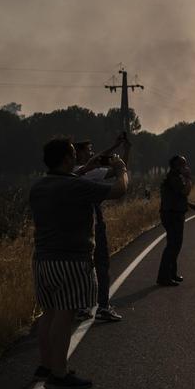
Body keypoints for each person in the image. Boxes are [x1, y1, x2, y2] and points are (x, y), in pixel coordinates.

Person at [29, 137, 128, 389]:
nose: (76, 157)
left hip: (42, 259)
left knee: (48, 313)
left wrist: (86, 168)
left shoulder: (39, 186)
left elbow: (74, 176)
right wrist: (121, 171)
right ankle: (59, 374)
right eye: (73, 154)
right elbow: (119, 191)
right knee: (65, 315)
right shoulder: (76, 187)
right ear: (65, 159)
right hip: (71, 259)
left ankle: (46, 365)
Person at [72, 134, 128, 322]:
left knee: (82, 267)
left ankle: (81, 306)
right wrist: (121, 162)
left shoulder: (71, 173)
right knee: (101, 265)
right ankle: (103, 306)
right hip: (93, 225)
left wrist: (115, 146)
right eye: (88, 150)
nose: (93, 153)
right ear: (78, 153)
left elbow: (96, 160)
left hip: (75, 227)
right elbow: (117, 174)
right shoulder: (88, 171)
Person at [157, 155, 195, 286]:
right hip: (172, 215)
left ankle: (171, 273)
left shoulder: (175, 177)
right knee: (173, 245)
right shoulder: (174, 178)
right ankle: (164, 277)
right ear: (176, 166)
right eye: (182, 164)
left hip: (174, 213)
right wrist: (188, 178)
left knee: (175, 245)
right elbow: (184, 192)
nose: (185, 167)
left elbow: (179, 197)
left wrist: (191, 205)